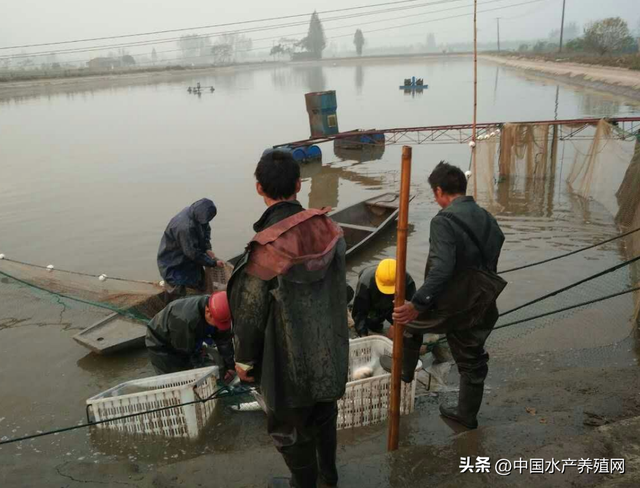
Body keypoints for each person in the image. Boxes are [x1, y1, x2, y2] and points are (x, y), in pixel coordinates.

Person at [228, 149, 349, 488]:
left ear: (258, 188)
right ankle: (329, 478)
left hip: (287, 362)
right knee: (325, 415)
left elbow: (249, 315)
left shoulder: (264, 250)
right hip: (330, 352)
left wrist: (244, 363)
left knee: (290, 431)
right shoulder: (332, 229)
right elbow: (341, 289)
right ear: (299, 184)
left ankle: (305, 483)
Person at [393, 161, 505, 430]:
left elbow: (442, 269)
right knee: (473, 360)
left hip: (454, 303)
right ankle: (466, 414)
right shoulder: (487, 217)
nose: (436, 199)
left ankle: (405, 373)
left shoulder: (443, 221)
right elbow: (496, 246)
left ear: (440, 191)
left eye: (435, 194)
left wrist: (418, 304)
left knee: (407, 320)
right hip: (482, 299)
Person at [145, 291, 235, 382]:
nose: (219, 326)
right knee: (177, 378)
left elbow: (224, 340)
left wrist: (230, 367)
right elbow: (184, 353)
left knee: (211, 366)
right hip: (161, 342)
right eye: (218, 323)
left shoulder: (218, 308)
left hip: (189, 335)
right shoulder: (184, 321)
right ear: (208, 312)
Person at [157, 198, 224, 302]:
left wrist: (207, 248)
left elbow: (206, 229)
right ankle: (173, 305)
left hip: (187, 258)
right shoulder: (185, 228)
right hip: (173, 263)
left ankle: (198, 294)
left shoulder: (198, 214)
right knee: (179, 291)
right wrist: (213, 263)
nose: (206, 222)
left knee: (199, 281)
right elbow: (193, 253)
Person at [351, 259, 416, 337]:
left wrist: (396, 325)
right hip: (373, 297)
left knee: (409, 329)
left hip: (394, 302)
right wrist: (363, 335)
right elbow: (359, 312)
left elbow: (412, 307)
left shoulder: (407, 281)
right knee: (372, 321)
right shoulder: (365, 283)